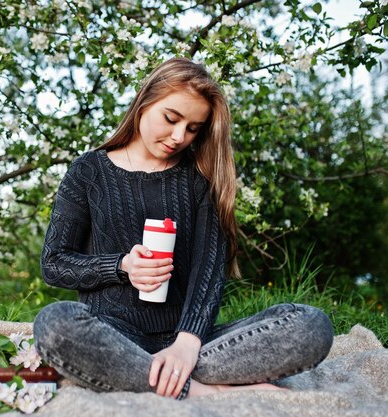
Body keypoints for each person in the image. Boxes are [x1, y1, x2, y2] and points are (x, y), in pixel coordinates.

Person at [33, 57, 334, 400]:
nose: (179, 137)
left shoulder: (200, 177)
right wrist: (121, 266)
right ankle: (202, 390)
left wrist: (187, 342)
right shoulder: (88, 171)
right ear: (145, 101)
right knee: (54, 324)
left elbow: (209, 270)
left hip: (193, 344)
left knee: (311, 326)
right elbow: (54, 263)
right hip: (112, 336)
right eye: (171, 119)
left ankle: (153, 372)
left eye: (193, 128)